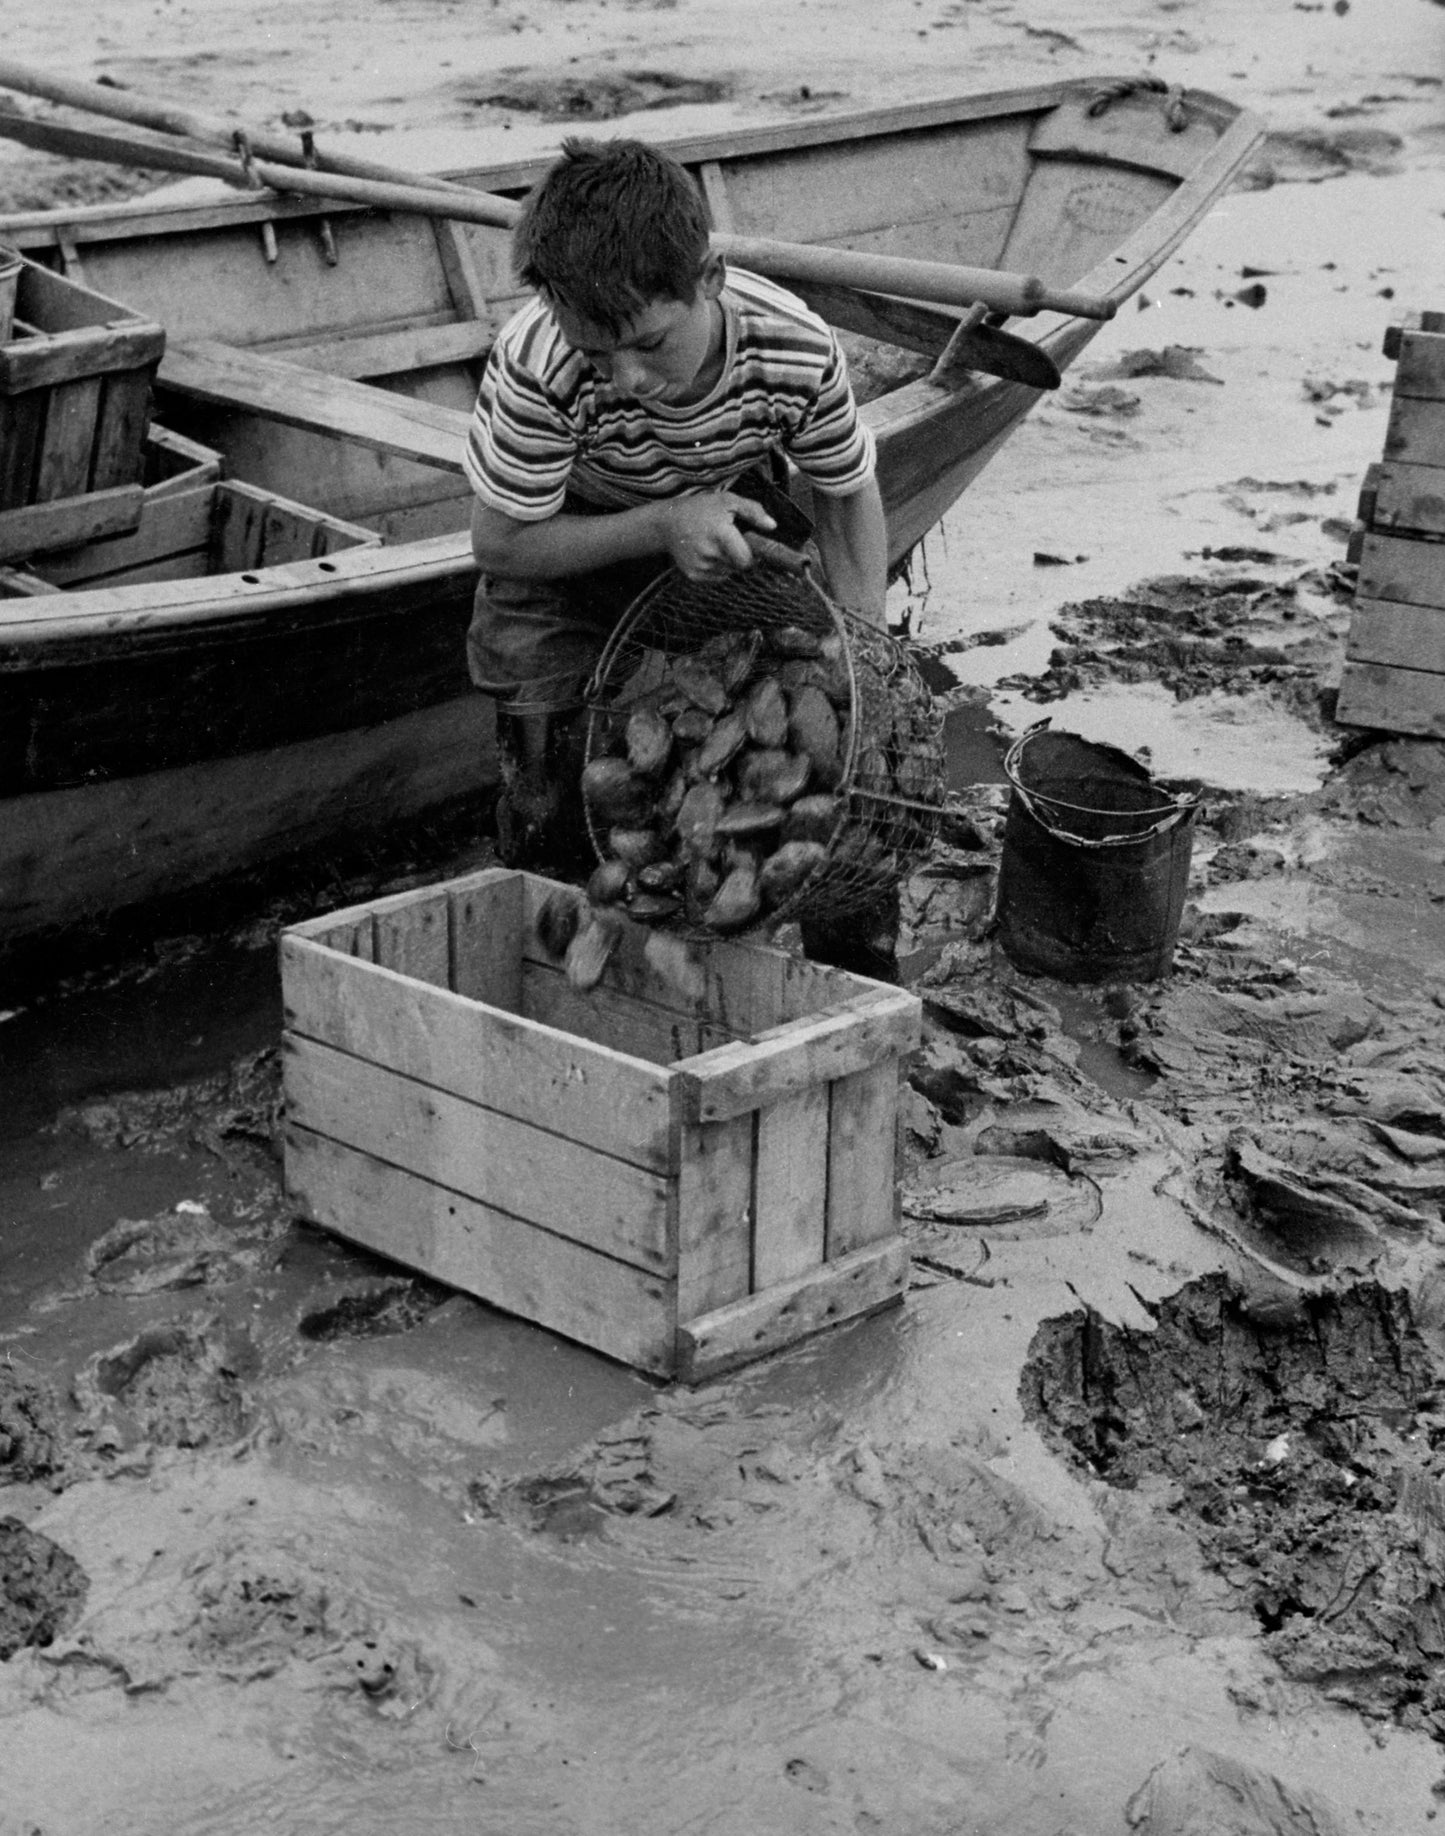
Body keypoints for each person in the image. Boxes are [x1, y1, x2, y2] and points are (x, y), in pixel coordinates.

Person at [463, 135, 898, 974]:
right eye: (597, 352)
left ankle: (855, 989)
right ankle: (565, 989)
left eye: (652, 344)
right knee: (551, 803)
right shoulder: (539, 363)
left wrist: (864, 653)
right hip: (563, 541)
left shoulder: (794, 349)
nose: (625, 377)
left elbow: (843, 493)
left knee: (839, 776)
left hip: (726, 525)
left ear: (710, 282)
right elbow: (501, 543)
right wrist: (662, 523)